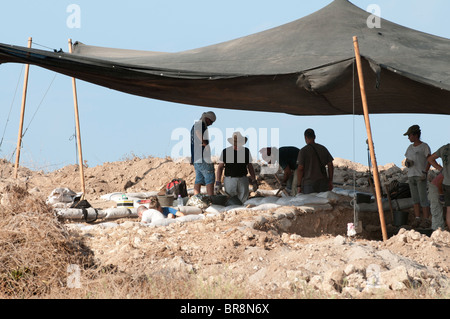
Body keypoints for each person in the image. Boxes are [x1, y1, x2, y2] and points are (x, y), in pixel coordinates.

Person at [215, 131, 258, 203]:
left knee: (244, 201)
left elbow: (250, 167)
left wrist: (254, 180)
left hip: (243, 179)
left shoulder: (246, 151)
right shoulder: (226, 151)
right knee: (231, 201)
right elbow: (220, 167)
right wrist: (218, 182)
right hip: (230, 180)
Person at [403, 125, 431, 220]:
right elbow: (406, 160)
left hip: (420, 175)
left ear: (415, 135)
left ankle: (426, 219)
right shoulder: (409, 148)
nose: (408, 138)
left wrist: (425, 172)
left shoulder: (424, 146)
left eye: (409, 135)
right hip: (411, 175)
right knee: (415, 199)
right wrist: (407, 163)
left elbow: (429, 160)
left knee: (423, 198)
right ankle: (418, 218)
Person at [296, 128, 334, 194]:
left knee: (309, 203)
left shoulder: (303, 151)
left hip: (309, 183)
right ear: (315, 137)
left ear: (305, 137)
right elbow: (330, 165)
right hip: (323, 183)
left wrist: (299, 185)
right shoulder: (323, 148)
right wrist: (330, 180)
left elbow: (300, 168)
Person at [190, 111, 216, 196]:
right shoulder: (200, 124)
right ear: (207, 118)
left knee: (198, 180)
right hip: (202, 157)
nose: (211, 124)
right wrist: (205, 143)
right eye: (211, 121)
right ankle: (211, 198)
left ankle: (196, 198)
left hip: (196, 158)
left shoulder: (195, 125)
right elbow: (198, 132)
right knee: (210, 178)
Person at [428, 143, 450, 230]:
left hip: (444, 186)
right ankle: (437, 231)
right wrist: (441, 195)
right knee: (437, 212)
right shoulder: (445, 173)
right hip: (435, 188)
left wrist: (440, 168)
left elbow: (430, 159)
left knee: (449, 209)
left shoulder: (444, 148)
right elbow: (439, 183)